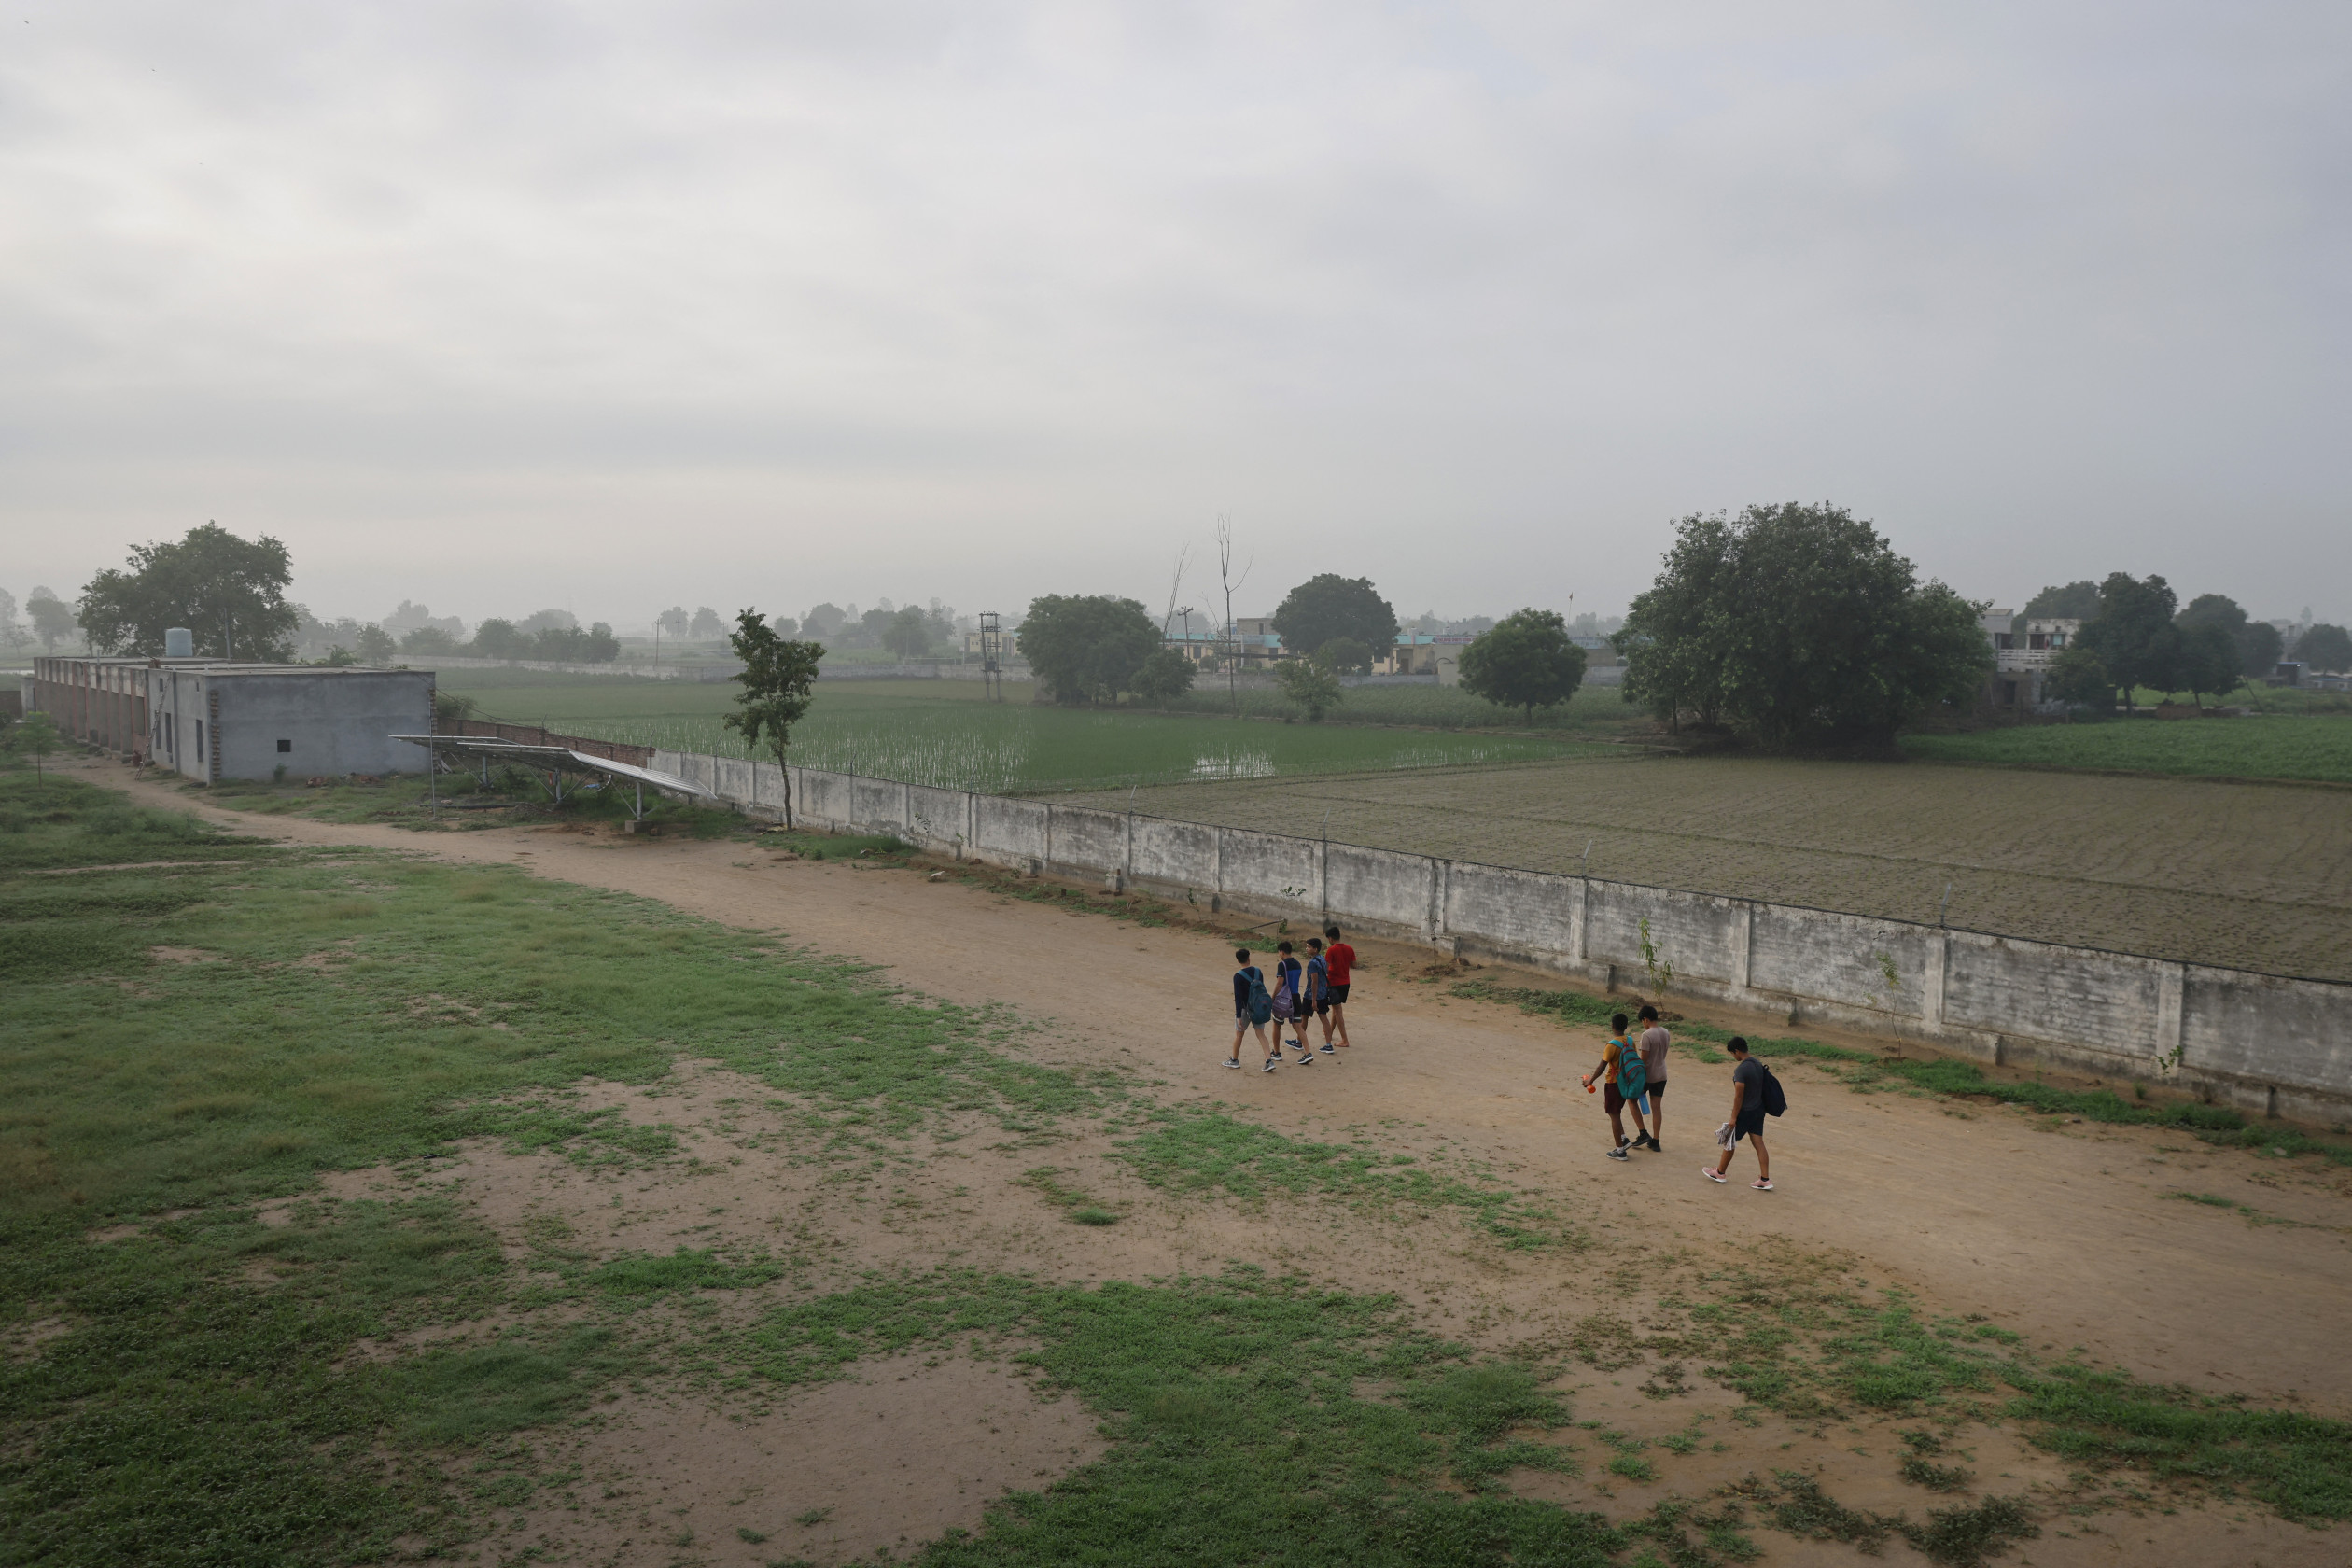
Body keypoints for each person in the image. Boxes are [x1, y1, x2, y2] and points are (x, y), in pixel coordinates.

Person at [1702, 1037, 1772, 1190]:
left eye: (1732, 1053)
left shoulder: (1741, 1069)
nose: (1733, 1057)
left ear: (1737, 1051)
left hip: (1745, 1111)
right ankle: (1765, 1179)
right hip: (1759, 1110)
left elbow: (1739, 1096)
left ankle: (1720, 1172)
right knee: (1759, 1143)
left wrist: (1733, 1117)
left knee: (1729, 1140)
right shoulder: (1757, 1064)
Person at [1580, 1012, 1651, 1161]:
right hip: (1626, 1082)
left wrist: (1590, 1081)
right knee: (1616, 1113)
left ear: (1612, 1026)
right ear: (1625, 1026)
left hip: (1613, 1083)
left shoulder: (1611, 1045)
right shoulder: (1630, 1040)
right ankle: (1624, 1139)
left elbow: (1601, 1067)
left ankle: (1620, 1151)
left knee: (1614, 1115)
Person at [1228, 948, 1276, 1071]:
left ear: (1238, 960)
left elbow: (1238, 998)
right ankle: (1269, 1061)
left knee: (1239, 1034)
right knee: (1261, 1034)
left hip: (1245, 1008)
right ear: (1249, 958)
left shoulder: (1238, 976)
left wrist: (1238, 1016)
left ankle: (1234, 1060)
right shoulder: (1258, 971)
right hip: (1259, 1007)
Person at [1632, 1004, 1671, 1153]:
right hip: (1662, 1074)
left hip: (1648, 1076)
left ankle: (1643, 1132)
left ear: (1646, 1019)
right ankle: (1655, 1140)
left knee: (1632, 1101)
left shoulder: (1647, 1035)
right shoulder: (1665, 1032)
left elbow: (1644, 1061)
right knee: (1656, 1108)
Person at [1269, 941, 1314, 1064]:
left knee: (1277, 1025)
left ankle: (1276, 1052)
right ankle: (1308, 1052)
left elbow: (1280, 983)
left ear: (1282, 952)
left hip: (1283, 999)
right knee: (1298, 1026)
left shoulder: (1282, 965)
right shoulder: (1298, 964)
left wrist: (1272, 998)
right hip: (1295, 997)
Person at [1321, 925, 1356, 1047]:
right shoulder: (1349, 948)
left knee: (1338, 1011)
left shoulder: (1331, 950)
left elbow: (1326, 967)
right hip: (1345, 982)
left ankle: (1344, 1040)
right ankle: (1329, 1031)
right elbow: (1354, 965)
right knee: (1336, 1009)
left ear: (1330, 938)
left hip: (1334, 983)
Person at [1303, 937, 1337, 1056]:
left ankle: (1299, 1041)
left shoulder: (1312, 963)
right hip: (1323, 993)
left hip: (1311, 995)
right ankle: (1328, 1044)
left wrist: (1313, 1000)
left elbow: (1314, 981)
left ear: (1315, 949)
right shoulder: (1322, 959)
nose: (1306, 949)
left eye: (1308, 947)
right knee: (1324, 1018)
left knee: (1304, 1017)